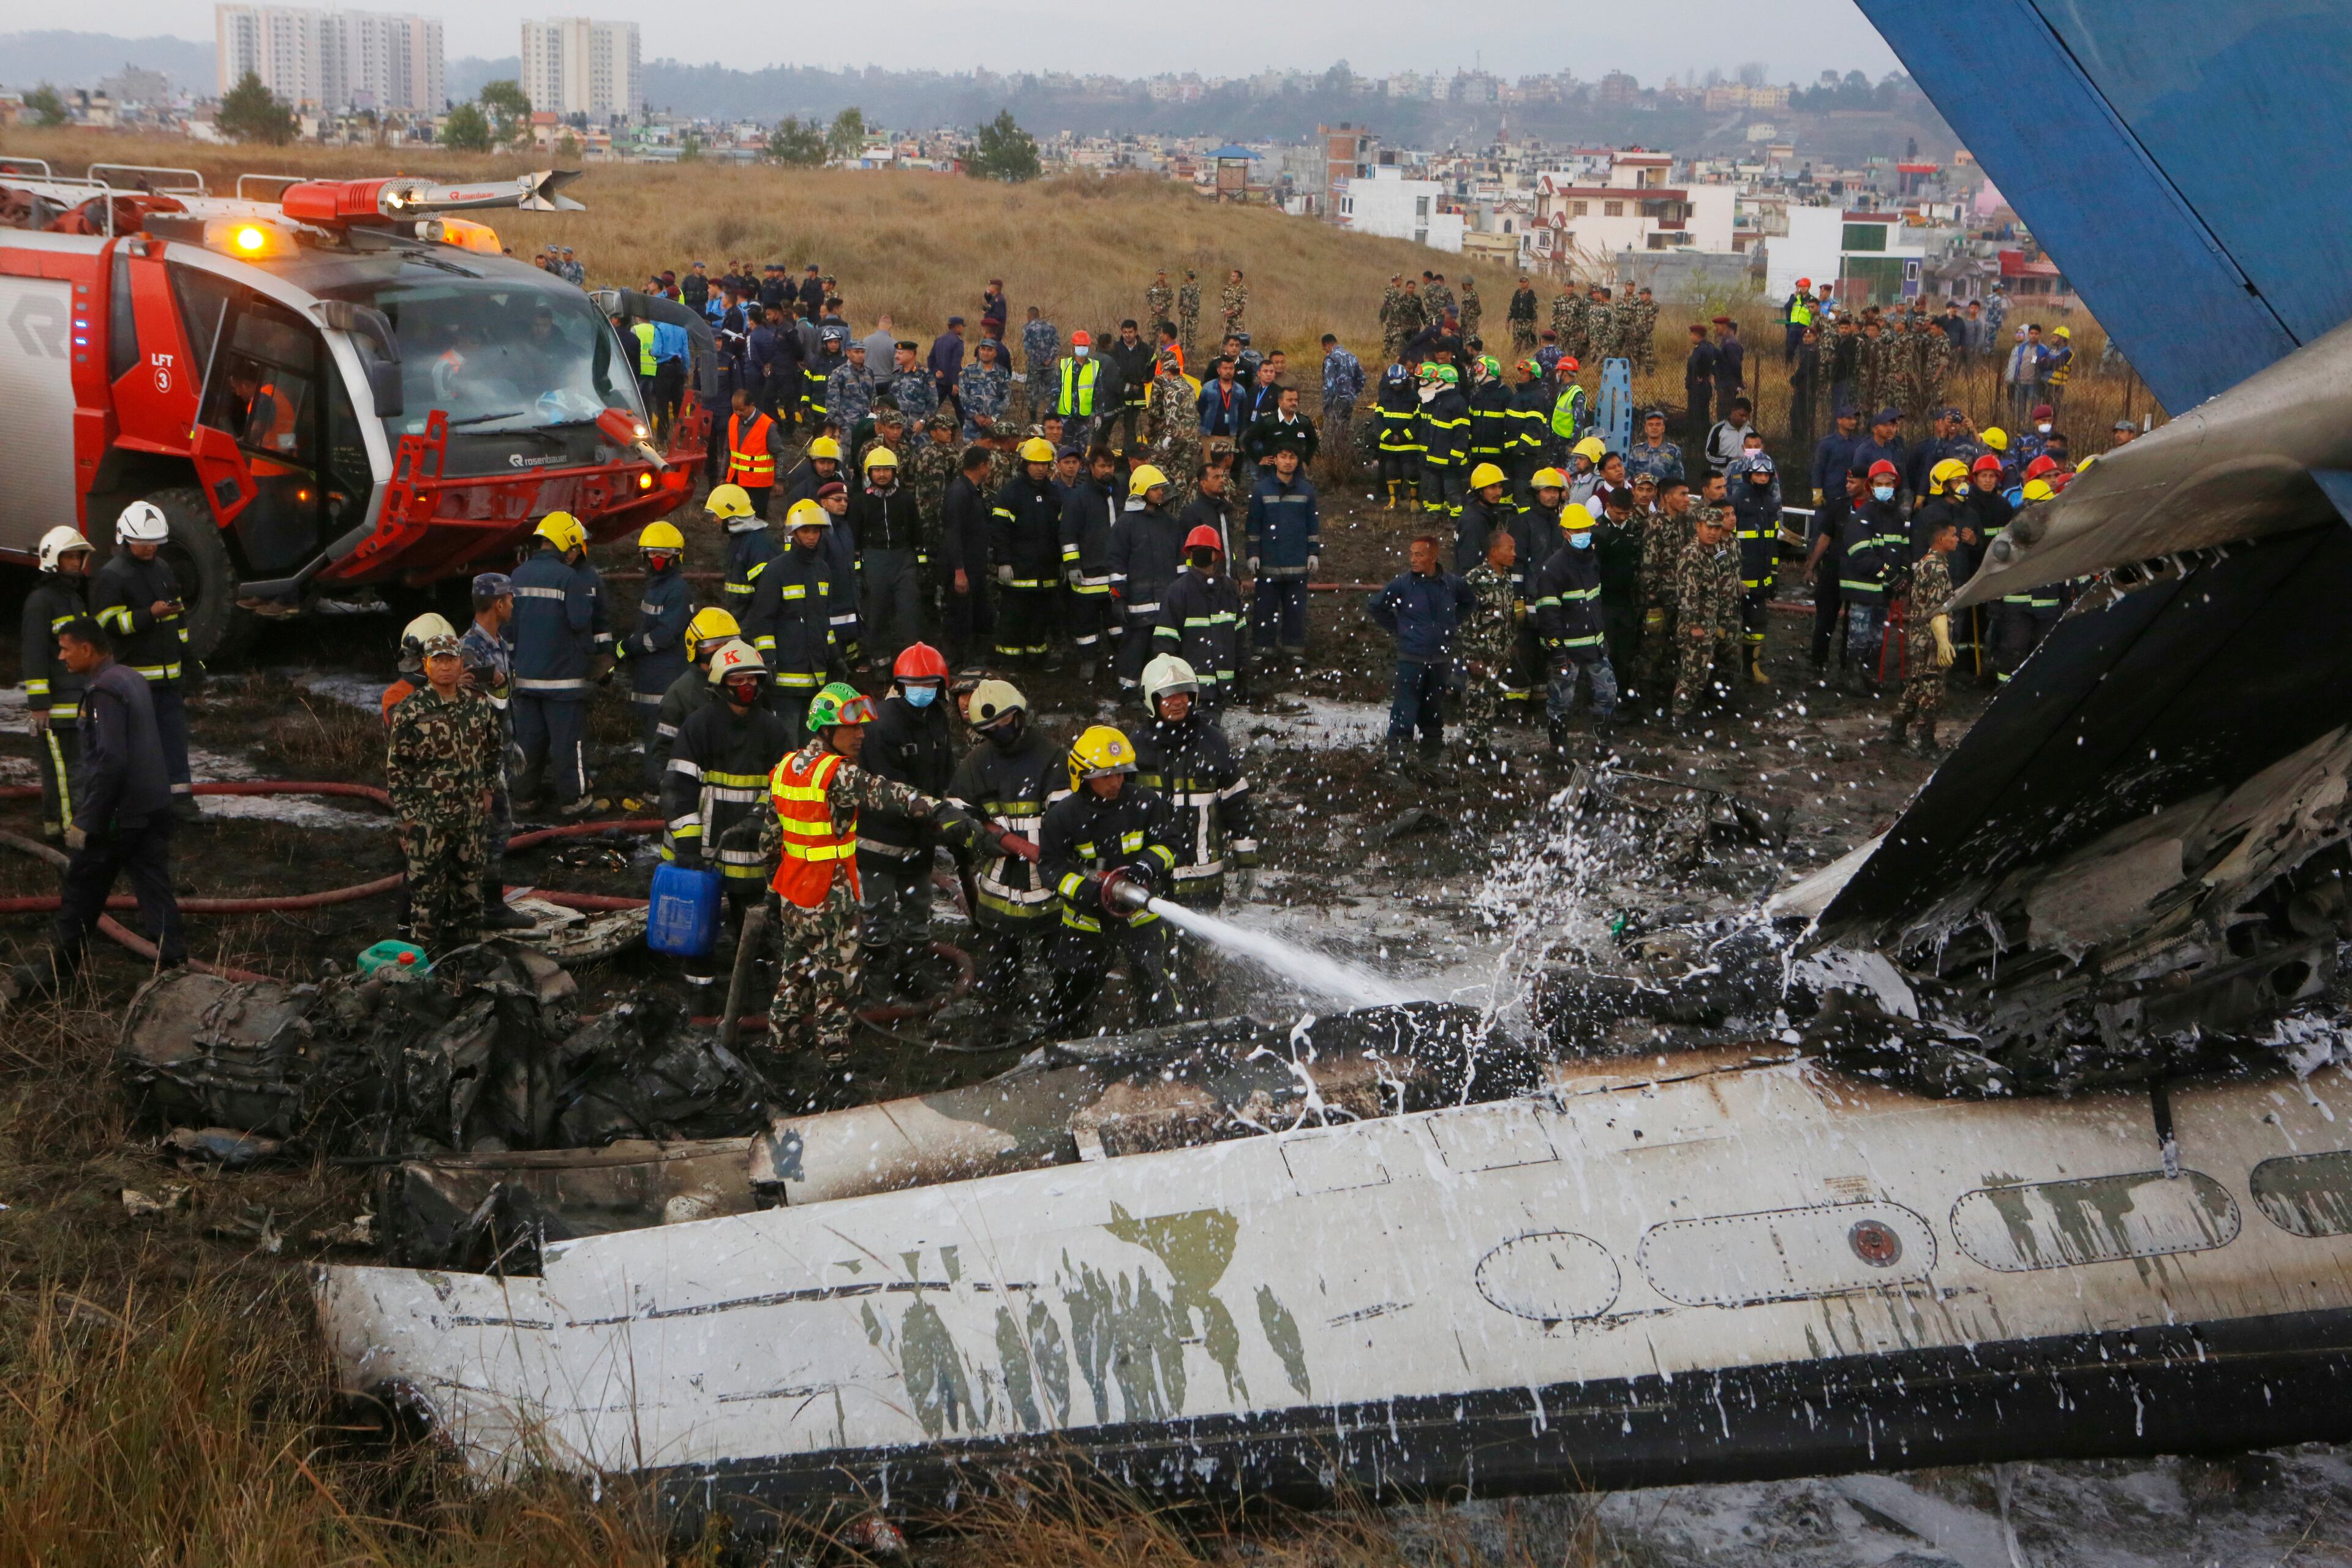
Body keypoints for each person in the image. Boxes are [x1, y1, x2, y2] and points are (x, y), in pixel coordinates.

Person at [764, 682, 975, 1080]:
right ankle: (835, 1066)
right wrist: (939, 810)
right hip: (830, 895)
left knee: (793, 976)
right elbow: (887, 794)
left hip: (794, 892)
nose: (862, 736)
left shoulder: (787, 767)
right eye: (853, 729)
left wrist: (771, 890)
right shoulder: (837, 772)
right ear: (827, 730)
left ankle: (781, 1052)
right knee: (836, 984)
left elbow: (769, 839)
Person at [9, 616, 184, 995]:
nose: (61, 656)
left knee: (81, 889)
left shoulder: (103, 691)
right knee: (154, 887)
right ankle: (175, 966)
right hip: (152, 808)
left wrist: (86, 820)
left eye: (66, 648)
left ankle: (58, 975)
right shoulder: (130, 678)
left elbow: (111, 761)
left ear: (87, 649)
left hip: (119, 816)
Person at [1039, 724, 1180, 1035]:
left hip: (1140, 917)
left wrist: (1147, 865)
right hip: (1084, 922)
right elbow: (1051, 869)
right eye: (1106, 775)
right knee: (1073, 990)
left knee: (1155, 981)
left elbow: (1170, 845)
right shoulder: (1063, 816)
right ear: (1083, 776)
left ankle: (1164, 1039)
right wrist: (1087, 892)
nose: (1115, 782)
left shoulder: (1144, 802)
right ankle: (1066, 1045)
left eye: (1120, 774)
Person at [946, 679, 1063, 1022]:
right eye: (989, 729)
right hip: (999, 884)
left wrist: (1045, 852)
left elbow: (1066, 821)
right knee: (999, 962)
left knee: (1061, 958)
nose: (999, 732)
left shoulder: (1052, 759)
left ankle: (1060, 1018)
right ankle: (998, 1015)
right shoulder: (975, 764)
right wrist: (993, 840)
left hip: (1049, 882)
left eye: (1004, 723)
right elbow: (955, 819)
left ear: (1020, 715)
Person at [385, 628, 502, 955]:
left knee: (470, 891)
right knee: (427, 896)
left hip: (471, 819)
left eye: (451, 659)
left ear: (460, 662)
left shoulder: (478, 706)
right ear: (426, 666)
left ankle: (470, 958)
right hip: (428, 821)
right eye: (438, 660)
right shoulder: (411, 710)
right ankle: (427, 963)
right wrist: (408, 817)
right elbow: (397, 768)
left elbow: (494, 750)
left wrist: (488, 789)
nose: (446, 666)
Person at [852, 643, 957, 998]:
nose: (923, 692)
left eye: (930, 684)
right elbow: (886, 789)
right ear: (899, 683)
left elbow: (945, 771)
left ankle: (914, 973)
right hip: (879, 840)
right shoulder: (882, 725)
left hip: (919, 840)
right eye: (916, 684)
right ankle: (877, 979)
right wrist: (928, 812)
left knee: (918, 910)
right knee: (877, 912)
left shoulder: (938, 719)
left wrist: (944, 811)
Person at [89, 500, 195, 823]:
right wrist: (149, 615)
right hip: (134, 680)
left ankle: (181, 803)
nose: (149, 547)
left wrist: (189, 660)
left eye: (155, 542)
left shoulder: (163, 569)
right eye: (142, 542)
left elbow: (178, 622)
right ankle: (140, 806)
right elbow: (108, 625)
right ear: (125, 538)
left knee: (174, 741)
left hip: (168, 677)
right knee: (137, 746)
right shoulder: (111, 576)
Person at [1133, 653, 1257, 921]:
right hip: (1151, 876)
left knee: (1194, 954)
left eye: (1185, 693)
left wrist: (1246, 858)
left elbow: (1237, 804)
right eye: (1169, 694)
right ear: (1151, 699)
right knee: (1155, 950)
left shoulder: (1213, 744)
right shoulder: (1136, 750)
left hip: (1202, 877)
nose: (1179, 702)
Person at [510, 511, 611, 816]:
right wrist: (593, 661)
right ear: (566, 543)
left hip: (525, 681)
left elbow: (507, 627)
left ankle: (524, 799)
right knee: (569, 745)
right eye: (574, 547)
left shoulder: (517, 576)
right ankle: (575, 802)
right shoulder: (570, 578)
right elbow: (581, 623)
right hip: (564, 684)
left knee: (526, 743)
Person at [1368, 535, 1476, 771]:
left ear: (1434, 558)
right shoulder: (1403, 584)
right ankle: (1395, 765)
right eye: (1411, 554)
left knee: (1434, 714)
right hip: (1411, 659)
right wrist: (1400, 629)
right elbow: (1377, 606)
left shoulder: (1452, 584)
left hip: (1439, 661)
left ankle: (1429, 766)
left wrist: (1450, 625)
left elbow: (1469, 602)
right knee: (1404, 713)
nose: (1413, 560)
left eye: (1419, 555)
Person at [22, 526, 92, 841]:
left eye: (78, 556)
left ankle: (58, 825)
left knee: (72, 769)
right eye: (69, 557)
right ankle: (68, 831)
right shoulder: (41, 602)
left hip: (78, 700)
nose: (76, 562)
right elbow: (34, 654)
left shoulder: (74, 599)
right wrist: (39, 705)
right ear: (53, 559)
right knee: (66, 772)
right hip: (56, 707)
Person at [1532, 496, 1617, 750]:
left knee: (1608, 693)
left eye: (1587, 529)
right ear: (1565, 532)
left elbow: (1594, 602)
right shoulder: (1554, 569)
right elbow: (1548, 614)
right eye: (1578, 530)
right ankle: (1557, 743)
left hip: (1595, 645)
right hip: (1568, 649)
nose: (1584, 534)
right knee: (1560, 700)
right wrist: (1556, 651)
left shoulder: (1591, 560)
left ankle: (1603, 736)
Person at [623, 521, 693, 799]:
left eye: (664, 555)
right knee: (651, 735)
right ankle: (655, 786)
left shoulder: (677, 589)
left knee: (662, 737)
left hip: (665, 677)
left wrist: (632, 647)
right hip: (650, 675)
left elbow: (664, 635)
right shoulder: (655, 587)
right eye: (653, 554)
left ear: (676, 557)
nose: (657, 560)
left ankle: (660, 790)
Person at [848, 444, 927, 674]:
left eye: (887, 469)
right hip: (874, 558)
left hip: (903, 558)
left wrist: (919, 562)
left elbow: (916, 531)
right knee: (877, 611)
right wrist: (858, 569)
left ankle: (912, 663)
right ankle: (880, 663)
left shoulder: (905, 499)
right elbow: (854, 537)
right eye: (877, 470)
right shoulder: (860, 501)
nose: (882, 474)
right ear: (868, 473)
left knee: (909, 612)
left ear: (895, 472)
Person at [1109, 464, 1187, 695]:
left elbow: (1181, 561)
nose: (1161, 492)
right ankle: (1128, 693)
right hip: (1136, 604)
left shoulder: (1170, 523)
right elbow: (1117, 564)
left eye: (1161, 488)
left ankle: (1160, 693)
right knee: (1134, 650)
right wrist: (1117, 598)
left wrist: (1184, 594)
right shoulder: (1125, 525)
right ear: (1141, 490)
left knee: (1164, 654)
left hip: (1166, 605)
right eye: (1155, 489)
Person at [1153, 524, 1246, 715]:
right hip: (1190, 692)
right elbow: (1165, 644)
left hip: (1220, 691)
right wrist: (1173, 687)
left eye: (1206, 550)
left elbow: (1240, 638)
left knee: (1210, 740)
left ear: (1217, 555)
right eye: (1196, 550)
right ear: (1189, 555)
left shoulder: (1229, 590)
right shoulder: (1178, 591)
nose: (1201, 554)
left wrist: (1243, 676)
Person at [1888, 515, 1959, 753]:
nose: (1957, 539)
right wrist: (1943, 643)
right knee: (1932, 690)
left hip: (1919, 636)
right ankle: (1926, 741)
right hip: (1930, 638)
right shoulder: (1938, 567)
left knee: (1916, 686)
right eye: (1953, 535)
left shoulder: (1926, 562)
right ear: (1942, 539)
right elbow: (1937, 609)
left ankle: (1897, 730)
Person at [991, 437, 1065, 664]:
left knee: (1040, 619)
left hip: (1046, 574)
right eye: (1036, 464)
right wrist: (1003, 562)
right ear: (1025, 464)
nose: (1041, 468)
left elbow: (1061, 531)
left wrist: (1063, 562)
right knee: (1014, 619)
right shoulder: (1011, 493)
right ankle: (1009, 663)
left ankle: (1036, 659)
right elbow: (1000, 531)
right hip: (1019, 574)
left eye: (1045, 464)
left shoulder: (1054, 494)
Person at [1246, 445, 1319, 666]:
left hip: (1297, 565)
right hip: (1268, 564)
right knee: (1264, 609)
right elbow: (1253, 524)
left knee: (1295, 611)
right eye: (1283, 457)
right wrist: (1253, 554)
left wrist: (1313, 553)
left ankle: (1293, 650)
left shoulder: (1307, 491)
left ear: (1297, 461)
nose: (1288, 462)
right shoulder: (1261, 490)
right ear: (1275, 460)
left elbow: (1312, 525)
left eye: (1293, 457)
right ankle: (1263, 649)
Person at [1670, 507, 1742, 726]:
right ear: (1698, 526)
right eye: (1709, 527)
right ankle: (1680, 715)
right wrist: (1694, 625)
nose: (1713, 532)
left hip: (1721, 620)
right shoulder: (1691, 554)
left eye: (1717, 528)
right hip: (1699, 624)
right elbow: (1687, 593)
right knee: (1693, 673)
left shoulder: (1720, 549)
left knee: (1723, 665)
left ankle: (1714, 706)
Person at [1840, 461, 1907, 690]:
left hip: (1885, 590)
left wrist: (1904, 575)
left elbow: (1904, 549)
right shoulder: (1861, 517)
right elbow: (1860, 555)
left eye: (1889, 484)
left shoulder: (1897, 518)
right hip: (1863, 587)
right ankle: (1853, 676)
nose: (1885, 487)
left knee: (1877, 635)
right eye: (1880, 484)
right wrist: (1891, 575)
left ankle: (1868, 673)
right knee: (1859, 633)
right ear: (1871, 486)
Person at [1635, 477, 1698, 713]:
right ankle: (1647, 704)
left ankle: (1667, 699)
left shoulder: (1685, 521)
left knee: (1674, 650)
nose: (1686, 499)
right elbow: (1648, 565)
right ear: (1667, 497)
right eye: (1682, 494)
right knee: (1652, 651)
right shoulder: (1655, 524)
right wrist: (1653, 601)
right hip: (1660, 601)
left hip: (1680, 599)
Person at [1456, 527, 1520, 762]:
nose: (1514, 554)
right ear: (1494, 552)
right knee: (1477, 703)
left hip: (1499, 656)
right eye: (1509, 549)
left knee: (1491, 703)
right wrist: (1473, 657)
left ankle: (1484, 747)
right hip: (1482, 656)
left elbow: (1509, 614)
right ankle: (1473, 752)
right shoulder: (1475, 579)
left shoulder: (1506, 579)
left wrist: (1511, 642)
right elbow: (1466, 621)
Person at [1060, 445, 1123, 681]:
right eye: (1103, 466)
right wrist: (1073, 565)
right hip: (1087, 574)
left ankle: (1121, 663)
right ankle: (1088, 662)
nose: (1108, 470)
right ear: (1091, 468)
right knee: (1086, 625)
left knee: (1117, 623)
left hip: (1116, 573)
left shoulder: (1119, 493)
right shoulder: (1078, 498)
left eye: (1111, 466)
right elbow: (1068, 534)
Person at [938, 445, 996, 669]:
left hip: (975, 568)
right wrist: (959, 571)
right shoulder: (959, 493)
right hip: (962, 570)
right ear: (982, 466)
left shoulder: (972, 490)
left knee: (982, 614)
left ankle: (975, 660)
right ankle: (955, 664)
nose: (990, 470)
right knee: (959, 618)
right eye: (989, 465)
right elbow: (952, 534)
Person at [1803, 467, 1864, 674]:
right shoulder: (1839, 506)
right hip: (1834, 569)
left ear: (1866, 483)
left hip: (1860, 574)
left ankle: (1847, 665)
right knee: (1825, 619)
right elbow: (1825, 537)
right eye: (1847, 482)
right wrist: (1812, 566)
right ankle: (1818, 662)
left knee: (1855, 621)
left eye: (1853, 482)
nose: (1848, 486)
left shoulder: (1875, 511)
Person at [1729, 453, 1781, 685]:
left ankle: (1751, 667)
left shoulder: (1771, 502)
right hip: (1740, 574)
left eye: (1765, 475)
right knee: (1728, 625)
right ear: (1750, 476)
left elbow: (1773, 543)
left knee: (1757, 624)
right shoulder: (1738, 500)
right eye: (1758, 474)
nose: (1762, 478)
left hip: (1761, 576)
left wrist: (1774, 575)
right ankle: (1725, 670)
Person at [1417, 364, 1471, 524]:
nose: (1435, 382)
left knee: (1451, 488)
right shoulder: (1439, 401)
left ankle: (1457, 516)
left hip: (1449, 459)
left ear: (1447, 381)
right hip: (1436, 456)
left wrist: (1456, 455)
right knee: (1434, 487)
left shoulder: (1457, 403)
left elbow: (1462, 433)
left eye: (1438, 379)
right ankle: (1434, 513)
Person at [1374, 364, 1422, 510]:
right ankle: (1393, 500)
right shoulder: (1384, 397)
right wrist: (1388, 436)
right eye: (1393, 383)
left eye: (1399, 383)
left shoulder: (1414, 397)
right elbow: (1378, 418)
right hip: (1389, 446)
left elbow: (1417, 421)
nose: (1396, 386)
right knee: (1391, 472)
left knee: (1411, 473)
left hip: (1408, 445)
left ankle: (1414, 500)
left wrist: (1404, 437)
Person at [1102, 319, 1154, 453]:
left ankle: (1127, 456)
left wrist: (1147, 378)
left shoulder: (1145, 349)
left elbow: (1154, 364)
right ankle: (1101, 452)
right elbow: (1109, 368)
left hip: (1135, 396)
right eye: (1125, 332)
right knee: (1106, 426)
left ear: (1136, 332)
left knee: (1130, 428)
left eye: (1130, 332)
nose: (1127, 335)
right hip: (1117, 395)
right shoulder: (1115, 349)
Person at [1053, 330, 1107, 451]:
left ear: (1089, 347)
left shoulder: (1095, 366)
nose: (1081, 348)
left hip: (1084, 418)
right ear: (1074, 347)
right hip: (1065, 417)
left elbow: (1099, 393)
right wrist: (1052, 414)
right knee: (1065, 452)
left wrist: (1099, 415)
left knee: (1081, 452)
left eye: (1084, 346)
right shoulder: (1064, 365)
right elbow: (1056, 390)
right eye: (1079, 345)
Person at [1320, 334, 1365, 466]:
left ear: (1326, 345)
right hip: (1348, 401)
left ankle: (1332, 464)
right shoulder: (1351, 356)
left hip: (1336, 401)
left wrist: (1327, 405)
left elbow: (1330, 385)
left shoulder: (1330, 359)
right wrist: (1353, 394)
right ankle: (1346, 461)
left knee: (1331, 434)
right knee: (1345, 431)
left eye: (1324, 349)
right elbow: (1362, 378)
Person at [1811, 405, 1863, 507]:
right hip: (1829, 497)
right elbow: (1818, 469)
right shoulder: (1827, 443)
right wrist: (1817, 493)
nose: (1853, 422)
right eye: (1849, 418)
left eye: (1854, 419)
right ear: (1839, 420)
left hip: (1850, 496)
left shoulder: (1858, 443)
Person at [2003, 325, 2048, 427]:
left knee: (2034, 406)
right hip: (2020, 382)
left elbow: (2041, 365)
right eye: (2032, 333)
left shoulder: (2043, 349)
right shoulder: (2022, 348)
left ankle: (2033, 426)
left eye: (2036, 334)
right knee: (2019, 406)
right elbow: (2016, 363)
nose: (2034, 336)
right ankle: (2020, 425)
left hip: (2034, 383)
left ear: (2039, 335)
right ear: (2028, 334)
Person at [1624, 409, 1683, 486]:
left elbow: (1678, 479)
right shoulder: (1637, 450)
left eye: (1658, 425)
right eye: (1651, 425)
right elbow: (1629, 477)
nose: (1654, 428)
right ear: (1646, 429)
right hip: (1642, 494)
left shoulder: (1673, 451)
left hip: (1663, 494)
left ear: (1663, 428)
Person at [1704, 398, 1755, 476]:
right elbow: (1709, 456)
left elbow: (1756, 455)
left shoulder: (1751, 431)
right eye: (1741, 415)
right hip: (1722, 478)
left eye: (1747, 416)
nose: (1744, 419)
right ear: (1733, 411)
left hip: (1744, 478)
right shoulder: (1718, 429)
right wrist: (1729, 460)